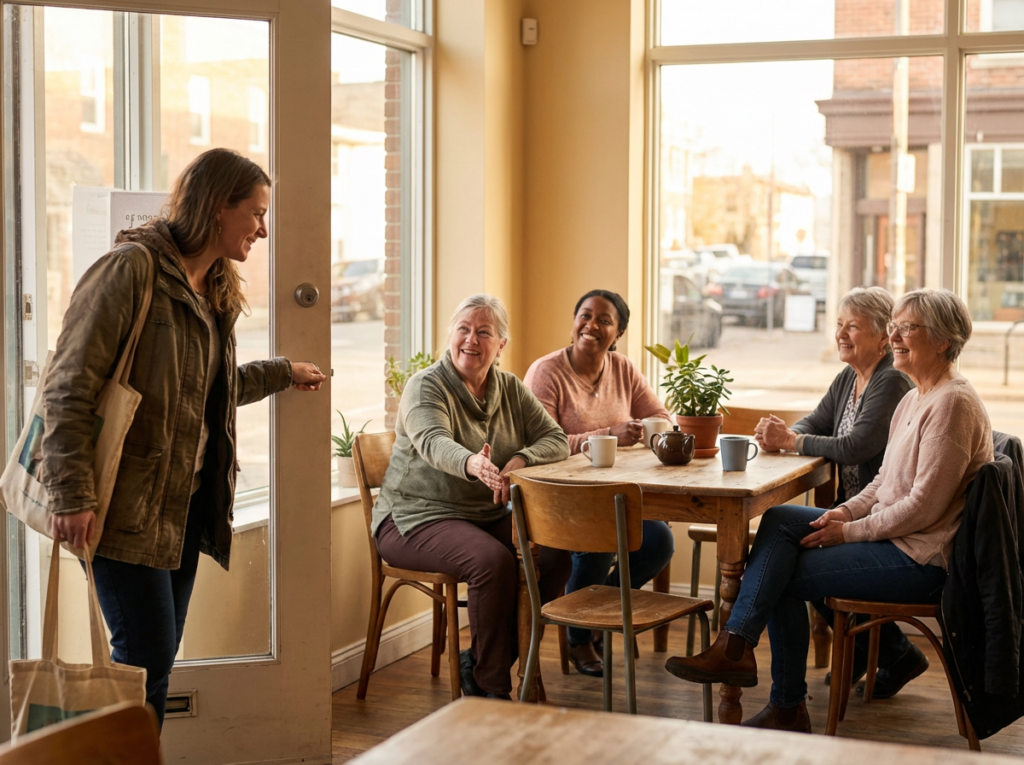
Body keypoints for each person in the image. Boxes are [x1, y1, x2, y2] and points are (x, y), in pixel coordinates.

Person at [40, 148, 326, 726]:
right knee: (144, 662)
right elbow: (66, 388)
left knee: (155, 663)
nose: (263, 230)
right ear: (218, 206)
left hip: (184, 509)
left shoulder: (213, 289)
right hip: (123, 510)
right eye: (256, 213)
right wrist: (72, 495)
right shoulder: (130, 272)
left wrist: (281, 373)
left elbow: (205, 391)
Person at [664, 288, 993, 733]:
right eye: (894, 327)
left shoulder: (952, 402)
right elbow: (883, 482)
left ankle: (783, 703)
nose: (895, 336)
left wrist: (850, 532)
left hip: (920, 557)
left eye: (906, 328)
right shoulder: (917, 396)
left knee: (780, 577)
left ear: (942, 340)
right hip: (895, 537)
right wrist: (847, 512)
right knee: (779, 523)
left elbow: (923, 508)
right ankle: (737, 648)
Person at [372, 294, 571, 699]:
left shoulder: (510, 388)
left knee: (553, 555)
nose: (471, 340)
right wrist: (472, 464)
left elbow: (557, 439)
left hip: (480, 515)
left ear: (501, 345)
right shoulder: (425, 386)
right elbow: (433, 441)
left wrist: (519, 458)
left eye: (484, 332)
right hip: (413, 518)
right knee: (492, 562)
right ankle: (491, 689)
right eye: (463, 329)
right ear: (451, 335)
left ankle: (481, 664)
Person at [754, 286, 919, 695]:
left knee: (791, 555)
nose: (842, 334)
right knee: (791, 544)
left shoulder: (891, 379)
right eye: (839, 325)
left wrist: (791, 442)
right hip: (856, 507)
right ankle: (886, 651)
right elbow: (817, 422)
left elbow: (855, 445)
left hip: (880, 514)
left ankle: (882, 652)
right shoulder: (851, 376)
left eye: (853, 327)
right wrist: (786, 434)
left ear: (884, 337)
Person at [524, 289, 675, 678]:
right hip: (558, 499)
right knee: (598, 540)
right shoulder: (547, 372)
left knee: (659, 541)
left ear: (618, 332)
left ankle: (592, 611)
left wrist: (655, 430)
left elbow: (660, 414)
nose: (591, 326)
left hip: (614, 496)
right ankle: (580, 636)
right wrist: (608, 434)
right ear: (574, 321)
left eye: (604, 320)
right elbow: (543, 444)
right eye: (585, 316)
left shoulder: (622, 368)